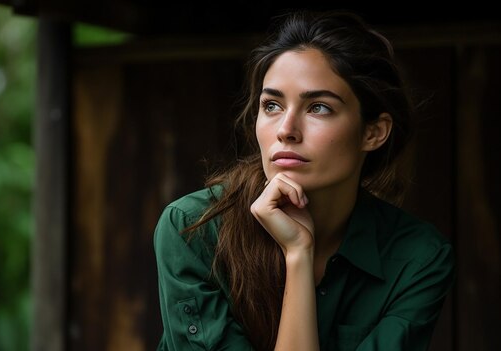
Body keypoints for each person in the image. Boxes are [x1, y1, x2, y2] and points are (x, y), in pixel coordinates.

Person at [153, 9, 455, 351]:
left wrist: (298, 254)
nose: (286, 130)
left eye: (318, 108)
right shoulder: (193, 229)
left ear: (373, 132)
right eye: (271, 106)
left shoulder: (417, 257)